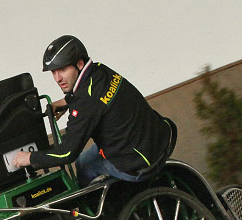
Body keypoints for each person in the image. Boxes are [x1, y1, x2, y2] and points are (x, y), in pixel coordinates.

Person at [12, 35, 173, 186]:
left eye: (62, 70)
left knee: (83, 164)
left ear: (79, 64)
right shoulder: (100, 70)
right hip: (157, 136)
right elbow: (94, 97)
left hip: (137, 161)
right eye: (53, 72)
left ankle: (95, 209)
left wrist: (30, 158)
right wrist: (66, 102)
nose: (57, 78)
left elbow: (67, 153)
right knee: (87, 157)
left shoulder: (85, 102)